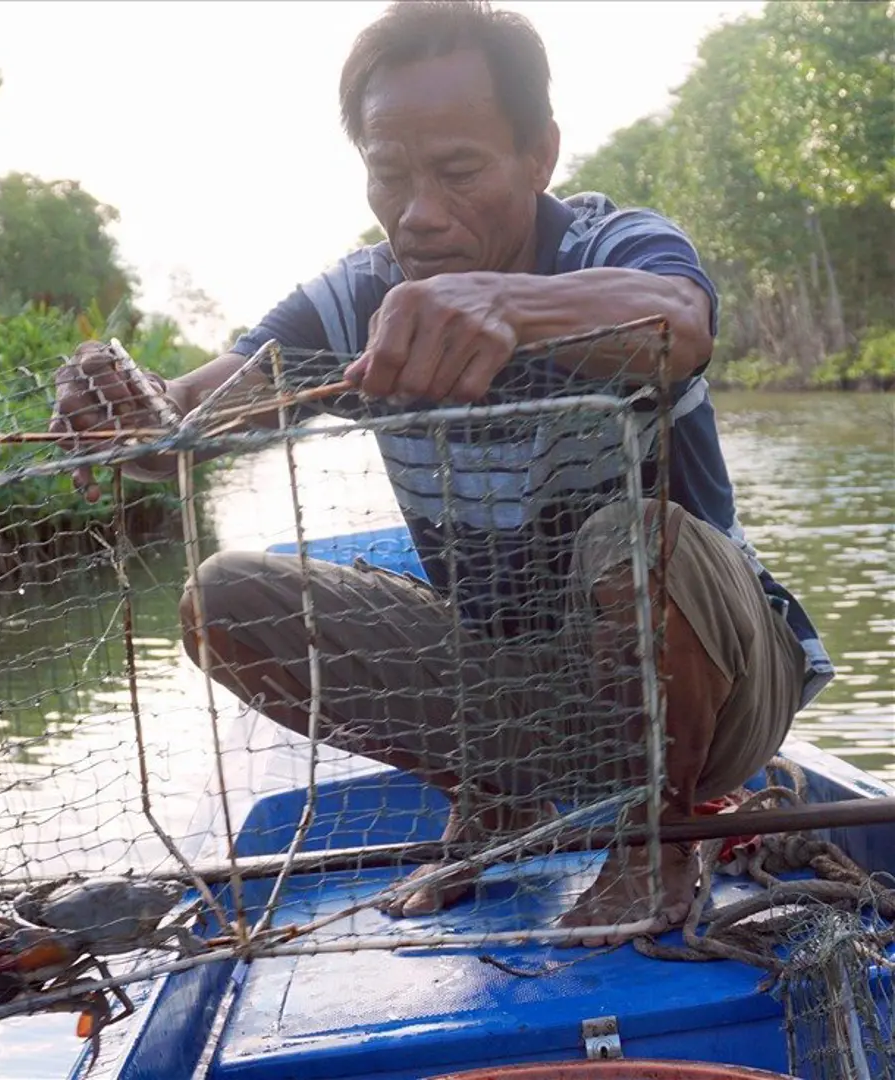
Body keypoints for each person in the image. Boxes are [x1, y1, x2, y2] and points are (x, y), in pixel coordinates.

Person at [49, 0, 830, 943]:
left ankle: (655, 842)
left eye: (458, 172)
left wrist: (505, 305)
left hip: (722, 687)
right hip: (515, 687)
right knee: (223, 600)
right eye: (388, 173)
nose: (419, 213)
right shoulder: (355, 296)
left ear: (537, 154)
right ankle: (493, 792)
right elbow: (195, 414)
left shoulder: (609, 247)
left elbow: (680, 321)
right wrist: (131, 408)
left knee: (637, 543)